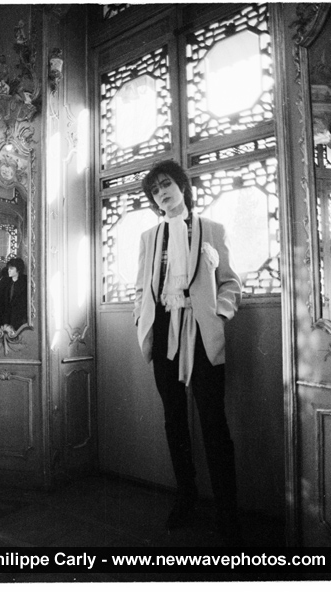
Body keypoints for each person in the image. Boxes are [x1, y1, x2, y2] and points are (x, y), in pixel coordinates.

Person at [134, 160, 242, 537]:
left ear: (182, 186)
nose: (162, 193)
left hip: (201, 330)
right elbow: (141, 288)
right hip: (164, 329)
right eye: (155, 191)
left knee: (213, 419)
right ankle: (186, 497)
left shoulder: (212, 228)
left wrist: (218, 314)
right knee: (174, 418)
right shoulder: (149, 237)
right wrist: (141, 318)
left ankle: (227, 509)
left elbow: (230, 283)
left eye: (166, 185)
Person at [0, 257, 27, 331]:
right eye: (8, 268)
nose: (9, 270)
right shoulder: (5, 281)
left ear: (18, 270)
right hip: (5, 317)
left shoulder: (24, 282)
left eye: (11, 268)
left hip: (18, 318)